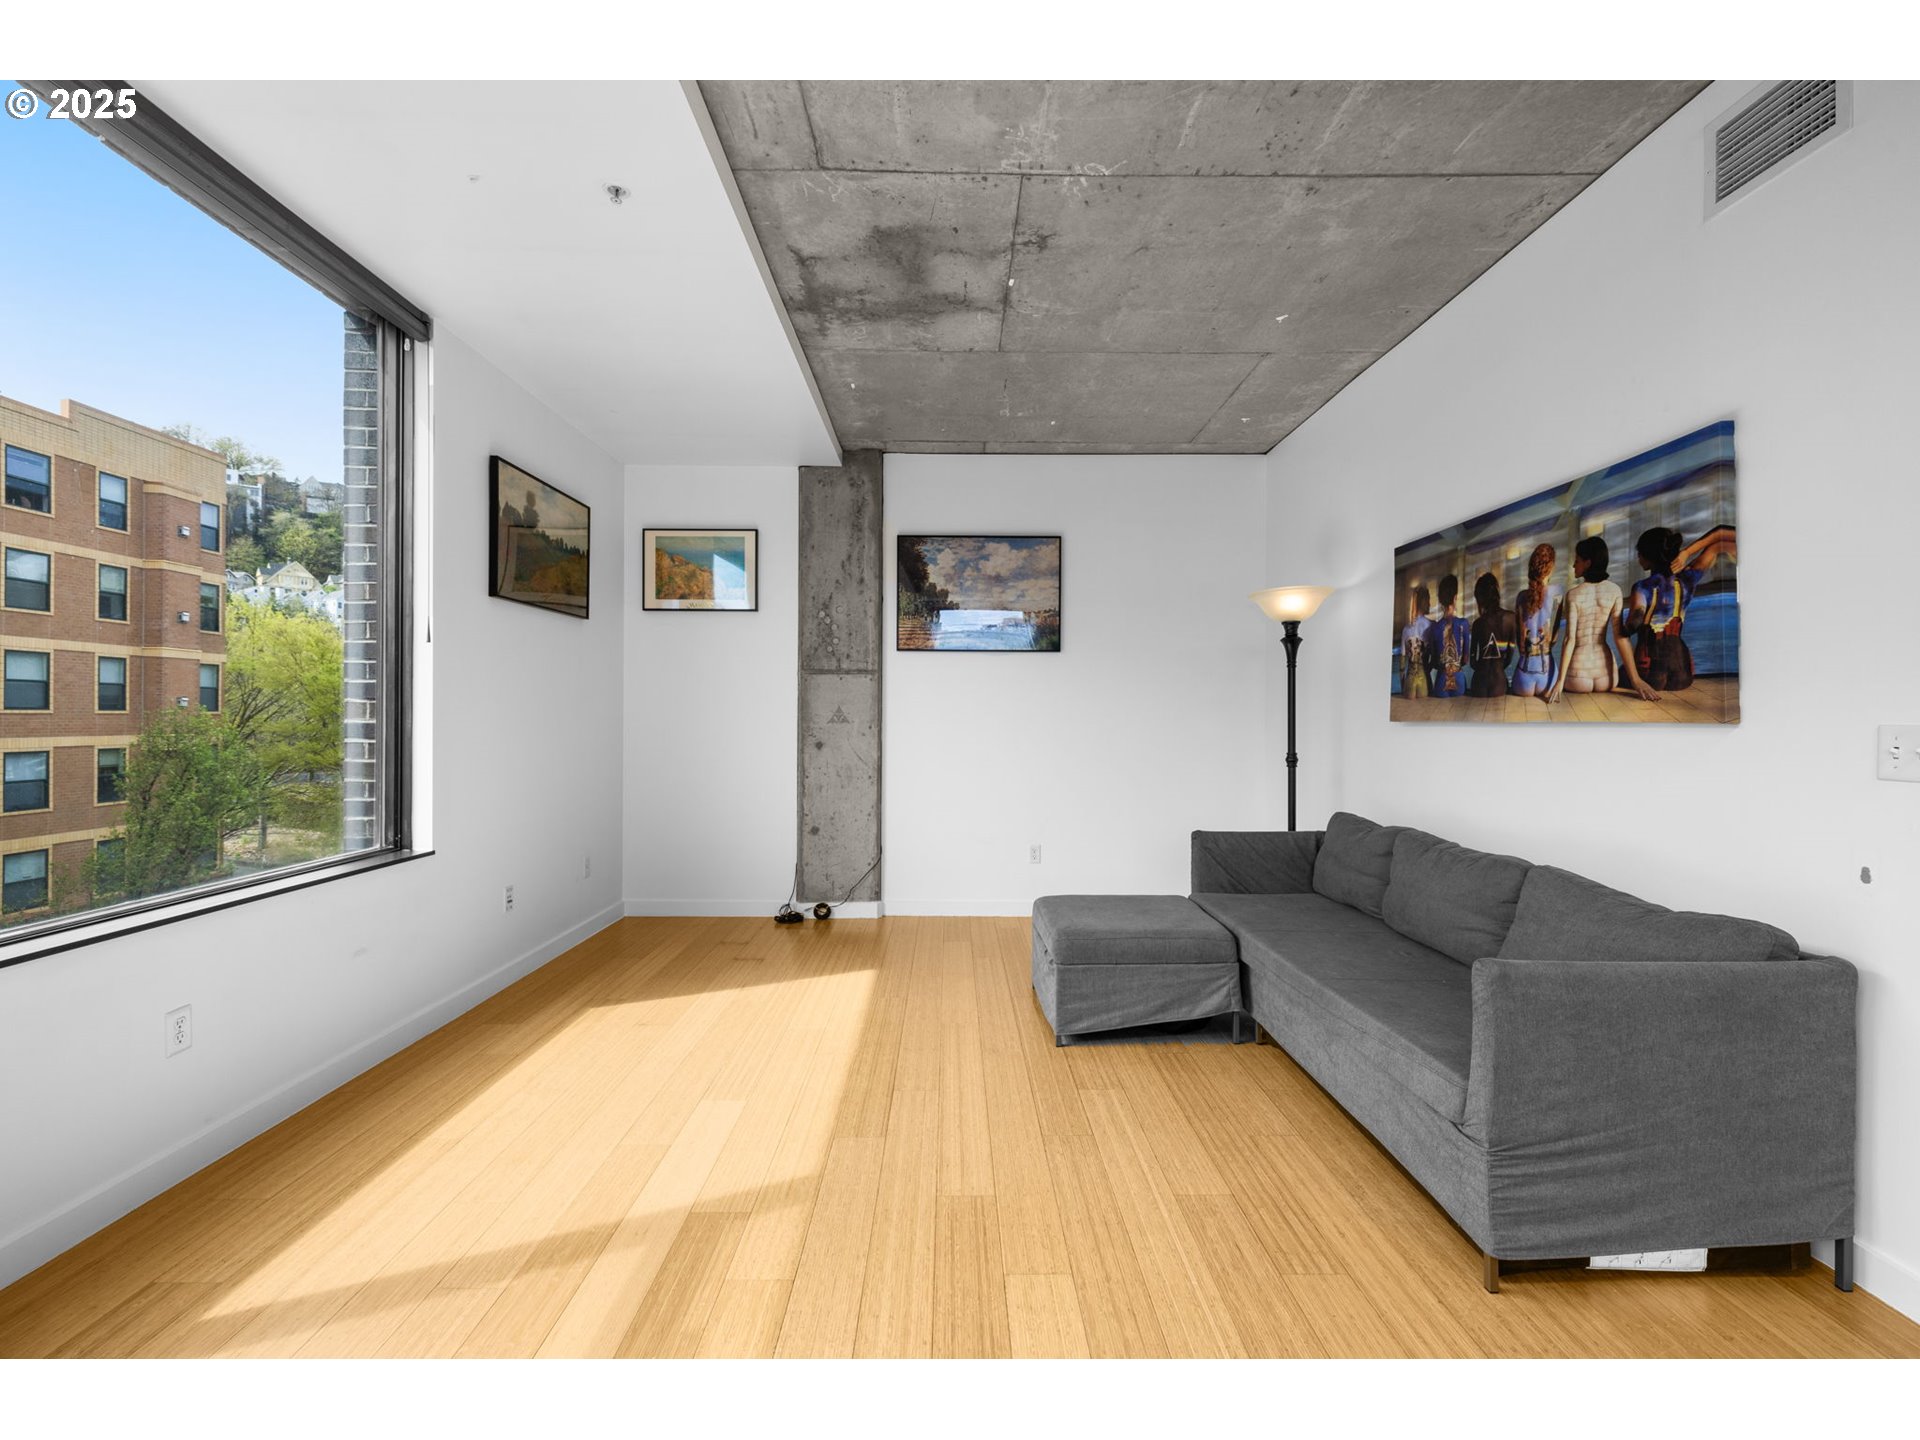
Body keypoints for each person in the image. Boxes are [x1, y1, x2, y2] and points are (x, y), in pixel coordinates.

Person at [1623, 524, 1736, 693]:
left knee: (1615, 674)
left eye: (1640, 552)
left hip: (1648, 670)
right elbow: (1720, 542)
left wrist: (1616, 621)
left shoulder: (1642, 587)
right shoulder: (1688, 579)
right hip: (1683, 672)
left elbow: (1633, 624)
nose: (1638, 556)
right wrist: (1687, 552)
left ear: (1648, 556)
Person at [1546, 536, 1659, 704]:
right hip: (1606, 676)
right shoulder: (1615, 591)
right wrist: (1636, 680)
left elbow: (1569, 640)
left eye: (1577, 561)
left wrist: (1560, 682)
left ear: (1588, 563)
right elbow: (1620, 637)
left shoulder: (1573, 595)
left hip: (1578, 676)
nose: (1573, 565)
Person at [1510, 543, 1559, 699]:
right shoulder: (1557, 594)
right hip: (1548, 677)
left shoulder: (1521, 597)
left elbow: (1520, 644)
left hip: (1523, 676)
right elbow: (1554, 639)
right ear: (1551, 567)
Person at [1467, 572, 1516, 698]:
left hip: (1479, 683)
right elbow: (1509, 659)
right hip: (1498, 683)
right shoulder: (1511, 619)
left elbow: (1472, 662)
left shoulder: (1477, 624)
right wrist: (1497, 667)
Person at [1426, 574, 1471, 698]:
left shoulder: (1435, 627)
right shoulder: (1464, 624)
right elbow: (1465, 659)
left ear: (1440, 600)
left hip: (1441, 683)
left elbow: (1434, 662)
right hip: (1459, 682)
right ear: (1455, 597)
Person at [1399, 585, 1431, 699]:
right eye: (1428, 600)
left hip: (1409, 681)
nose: (1430, 604)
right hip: (1425, 680)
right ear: (1424, 602)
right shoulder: (1430, 625)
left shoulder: (1405, 629)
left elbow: (1402, 665)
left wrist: (1403, 687)